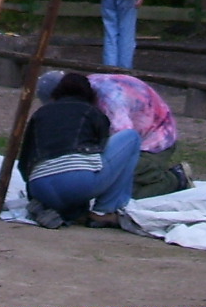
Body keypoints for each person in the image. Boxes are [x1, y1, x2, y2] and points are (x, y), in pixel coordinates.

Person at [36, 69, 191, 198]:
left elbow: (125, 144)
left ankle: (176, 179)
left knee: (118, 191)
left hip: (154, 140)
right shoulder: (85, 91)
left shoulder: (109, 101)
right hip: (133, 133)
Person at [20, 71, 140, 228]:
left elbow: (24, 162)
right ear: (89, 94)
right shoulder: (93, 112)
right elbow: (101, 151)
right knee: (132, 137)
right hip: (78, 184)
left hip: (39, 188)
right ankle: (103, 211)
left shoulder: (40, 114)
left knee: (69, 183)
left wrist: (35, 191)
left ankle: (67, 210)